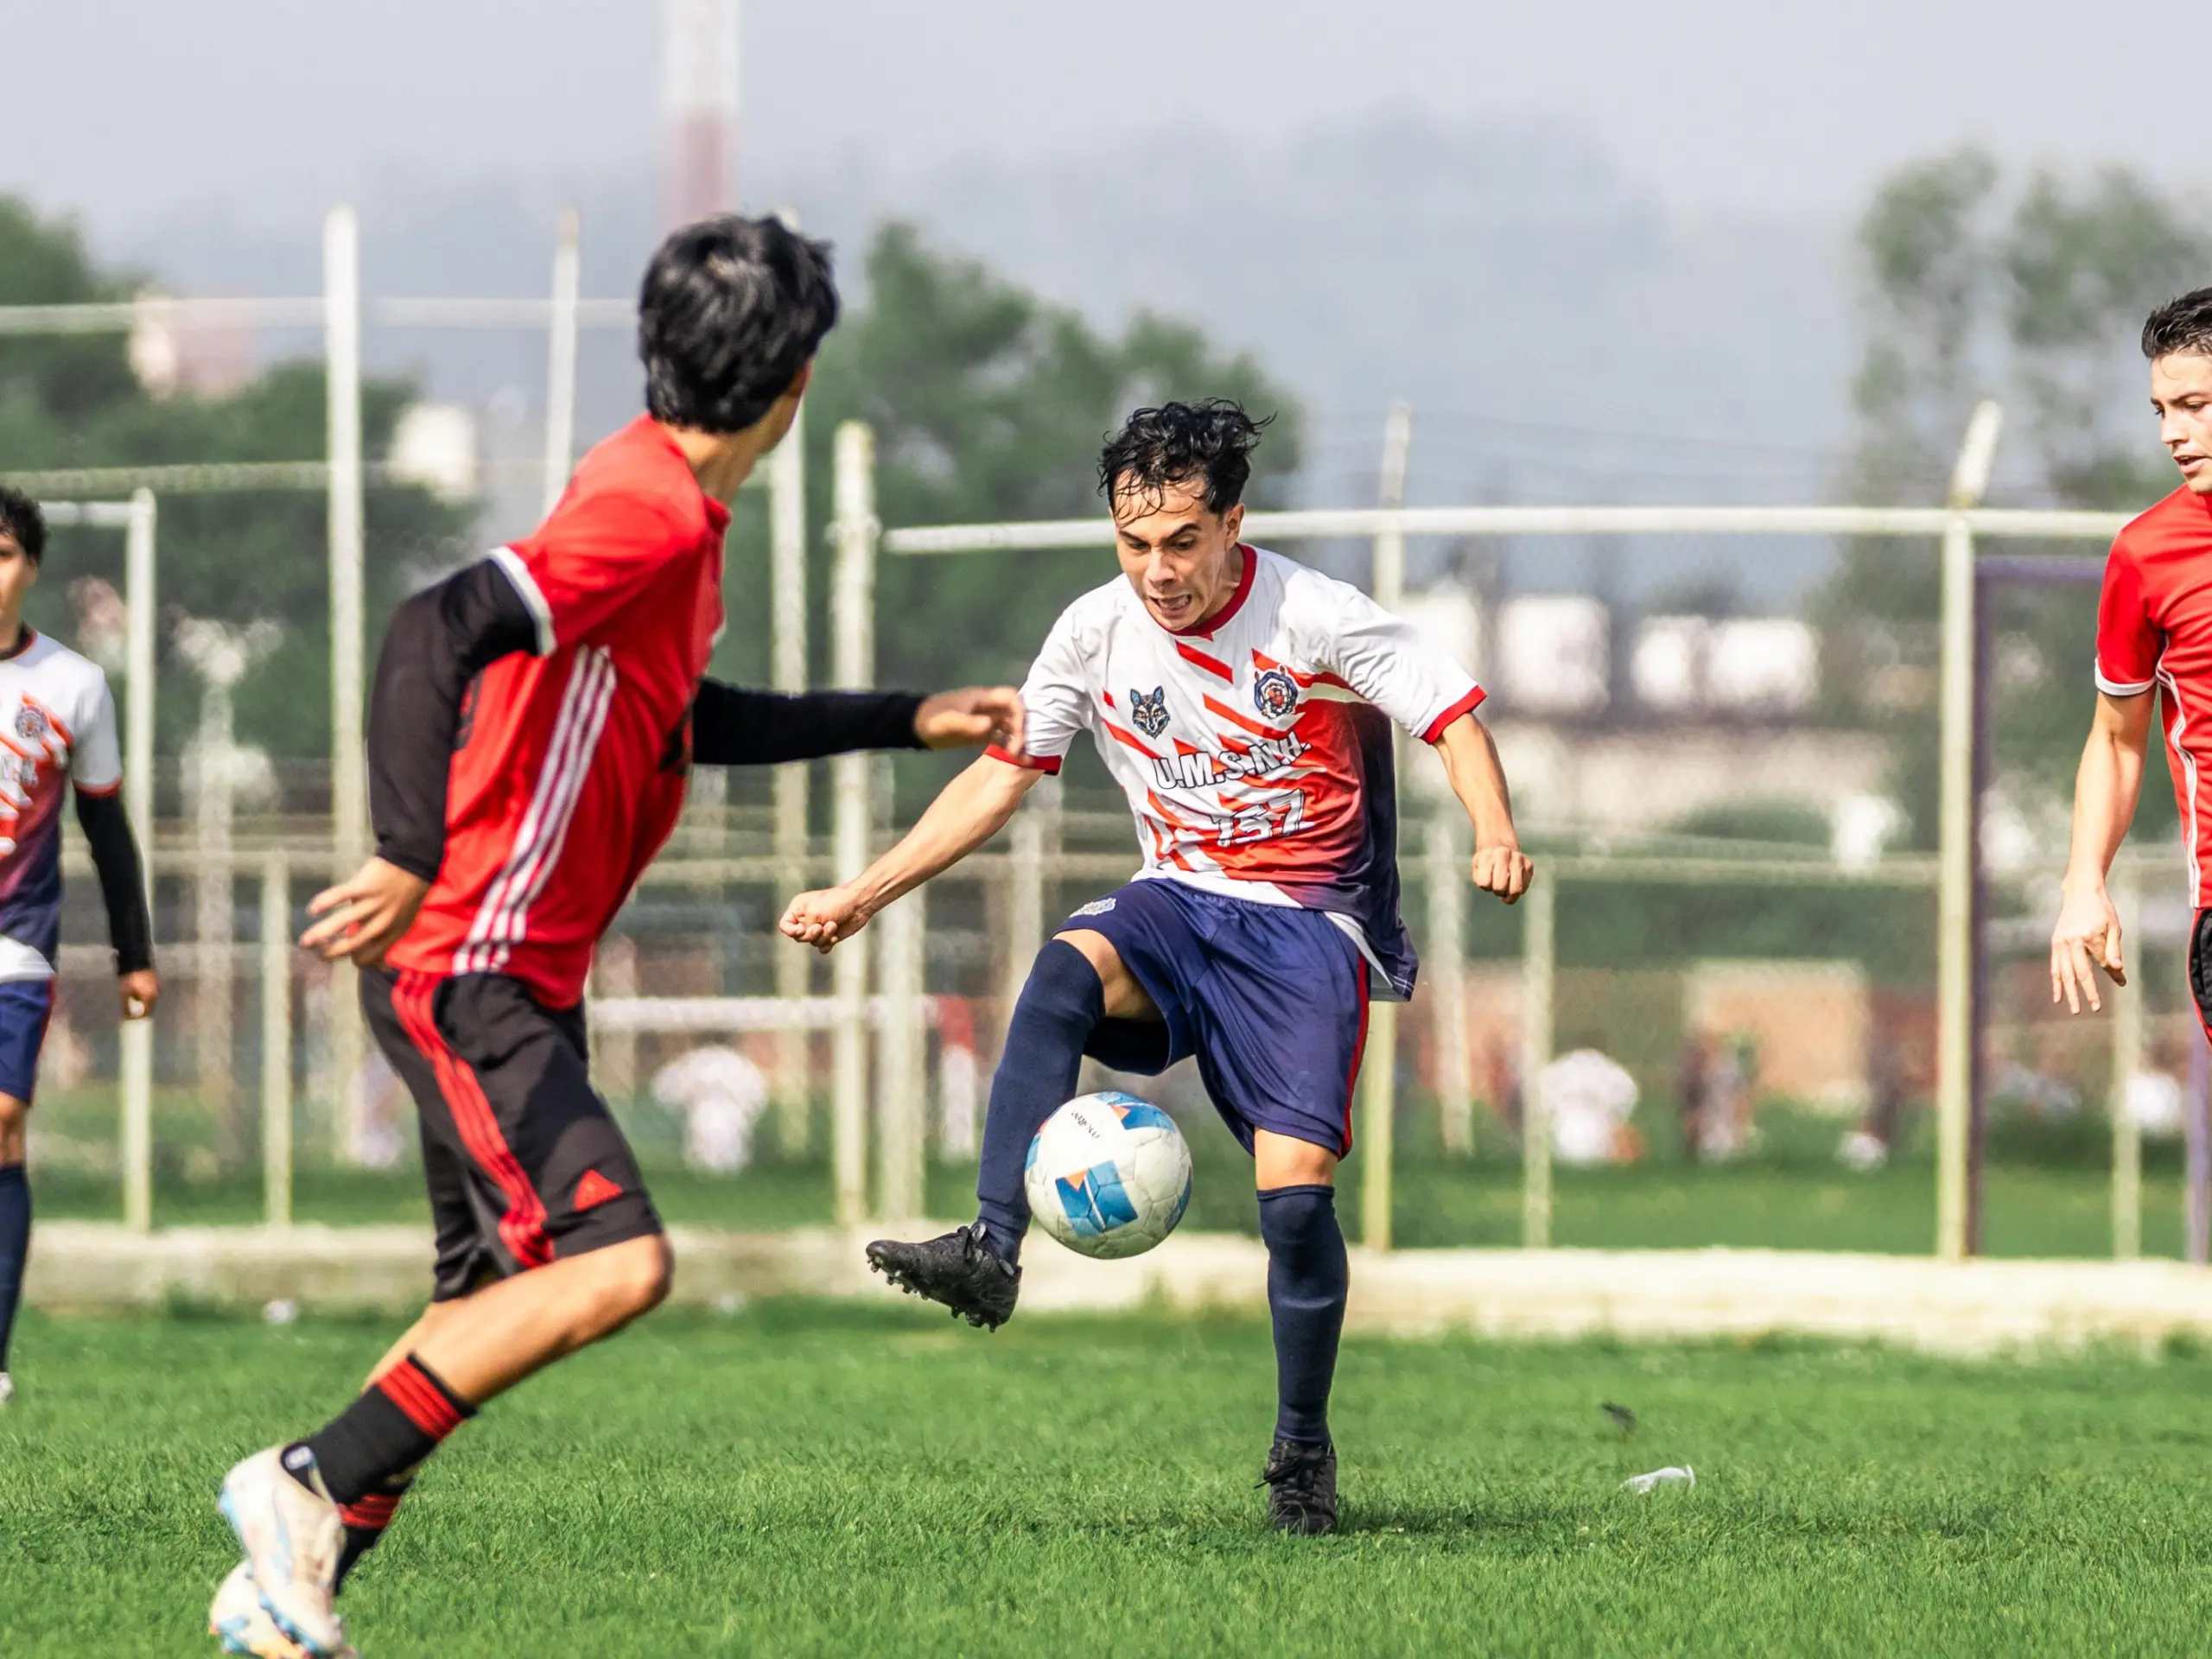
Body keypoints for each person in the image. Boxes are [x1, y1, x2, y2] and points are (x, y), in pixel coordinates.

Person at [207, 215, 1024, 1659]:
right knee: (616, 1263)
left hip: (509, 969)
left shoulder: (656, 506)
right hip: (474, 966)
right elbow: (430, 627)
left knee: (486, 1300)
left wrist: (903, 716)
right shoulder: (648, 512)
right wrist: (407, 852)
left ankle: (289, 1591)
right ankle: (301, 1487)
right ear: (800, 384)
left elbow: (679, 719)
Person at [779, 400, 1532, 1535]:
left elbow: (1452, 717)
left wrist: (1493, 829)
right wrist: (862, 893)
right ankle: (991, 1245)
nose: (1159, 569)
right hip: (1176, 909)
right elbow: (1002, 772)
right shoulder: (1092, 631)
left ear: (1233, 521)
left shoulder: (1313, 615)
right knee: (1064, 969)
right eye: (1136, 544)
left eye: (1183, 540)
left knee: (1292, 1209)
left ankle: (1302, 1453)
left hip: (1305, 929)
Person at [0, 486, 157, 1410]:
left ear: (32, 567)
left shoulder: (73, 686)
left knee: (4, 1123)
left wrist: (134, 954)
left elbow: (107, 829)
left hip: (15, 940)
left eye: (6, 552)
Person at [2053, 287, 2212, 1030]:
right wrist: (2083, 883)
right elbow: (2117, 741)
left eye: (2195, 405)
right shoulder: (2145, 555)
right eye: (2161, 411)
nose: (2172, 434)